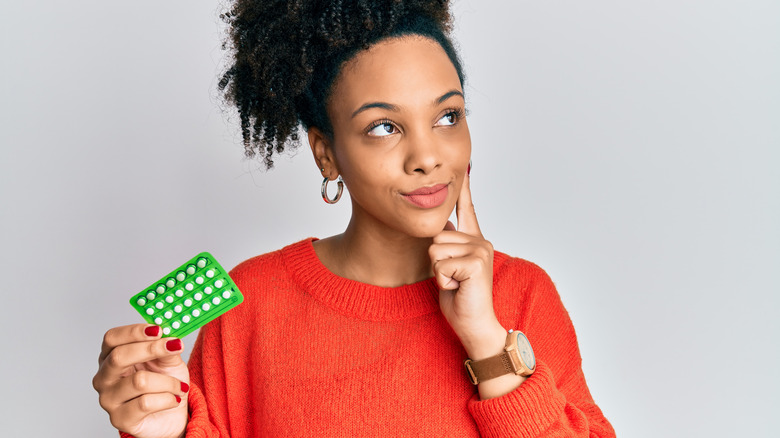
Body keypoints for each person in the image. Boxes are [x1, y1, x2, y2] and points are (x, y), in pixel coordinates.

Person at [93, 1, 615, 437]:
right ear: (326, 154)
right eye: (384, 127)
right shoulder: (251, 302)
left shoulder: (521, 295)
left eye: (448, 116)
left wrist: (486, 341)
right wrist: (164, 428)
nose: (428, 156)